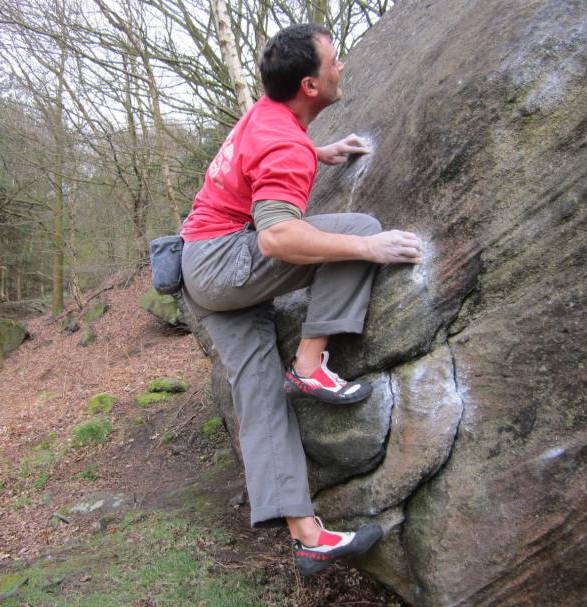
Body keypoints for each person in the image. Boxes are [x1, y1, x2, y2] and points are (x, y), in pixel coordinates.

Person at [179, 23, 423, 576]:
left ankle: (307, 535)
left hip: (200, 268)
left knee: (261, 400)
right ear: (310, 85)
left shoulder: (268, 115)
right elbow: (277, 238)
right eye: (334, 61)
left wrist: (319, 153)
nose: (341, 68)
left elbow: (261, 156)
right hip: (225, 263)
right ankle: (311, 363)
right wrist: (368, 246)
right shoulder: (285, 143)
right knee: (358, 228)